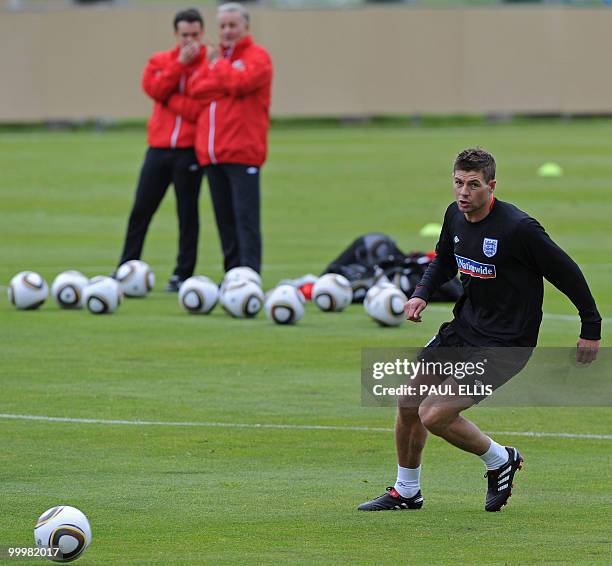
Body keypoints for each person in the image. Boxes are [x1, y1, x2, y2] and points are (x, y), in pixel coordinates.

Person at [358, 148, 602, 512]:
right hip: (463, 329)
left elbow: (567, 272)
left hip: (506, 344)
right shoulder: (454, 216)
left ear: (492, 186)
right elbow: (443, 258)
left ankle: (499, 458)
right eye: (458, 183)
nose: (464, 193)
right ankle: (406, 491)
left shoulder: (520, 229)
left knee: (434, 414)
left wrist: (591, 327)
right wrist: (421, 293)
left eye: (473, 185)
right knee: (409, 402)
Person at [117, 9, 207, 292]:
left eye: (194, 35)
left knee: (187, 213)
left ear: (202, 33)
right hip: (158, 148)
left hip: (189, 150)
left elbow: (199, 108)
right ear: (175, 35)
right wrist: (179, 65)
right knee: (141, 209)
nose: (190, 41)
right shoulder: (161, 61)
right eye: (184, 35)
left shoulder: (210, 64)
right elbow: (153, 88)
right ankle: (126, 267)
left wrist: (170, 100)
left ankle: (183, 273)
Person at [187, 2, 273, 275]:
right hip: (212, 154)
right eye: (222, 26)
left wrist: (219, 68)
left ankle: (249, 276)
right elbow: (196, 89)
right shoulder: (213, 59)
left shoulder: (258, 57)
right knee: (224, 222)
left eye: (232, 25)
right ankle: (233, 276)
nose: (227, 31)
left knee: (245, 221)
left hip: (243, 151)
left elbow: (241, 84)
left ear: (245, 27)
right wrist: (224, 79)